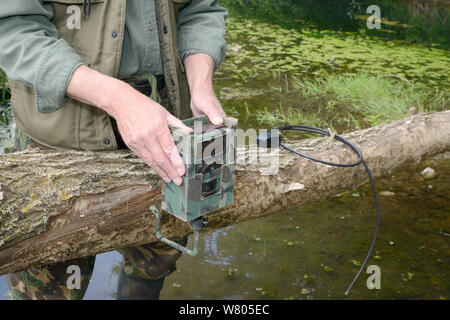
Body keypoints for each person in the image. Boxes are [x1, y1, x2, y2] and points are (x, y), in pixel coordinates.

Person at [0, 0, 227, 300]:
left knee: (156, 258)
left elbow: (200, 10)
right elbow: (13, 28)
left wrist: (200, 83)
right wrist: (120, 99)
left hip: (167, 129)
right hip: (58, 141)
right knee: (50, 279)